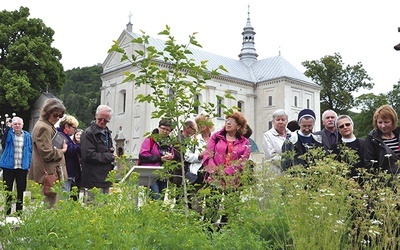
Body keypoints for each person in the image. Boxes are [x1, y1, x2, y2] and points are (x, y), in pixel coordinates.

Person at [29, 98, 68, 207]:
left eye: (60, 116)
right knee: (50, 209)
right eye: (55, 115)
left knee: (51, 209)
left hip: (50, 174)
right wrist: (62, 151)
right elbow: (47, 154)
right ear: (47, 112)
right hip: (48, 175)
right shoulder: (43, 127)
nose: (57, 119)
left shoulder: (47, 125)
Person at [202, 111, 251, 187]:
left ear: (238, 126)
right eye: (227, 120)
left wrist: (226, 171)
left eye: (231, 121)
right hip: (215, 179)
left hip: (234, 180)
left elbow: (243, 161)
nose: (228, 123)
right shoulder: (216, 137)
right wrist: (215, 170)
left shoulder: (245, 142)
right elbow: (208, 154)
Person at [80, 105, 116, 195]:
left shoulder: (107, 132)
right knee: (92, 206)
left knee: (105, 206)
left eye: (106, 120)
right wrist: (110, 156)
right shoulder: (88, 133)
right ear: (96, 116)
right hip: (93, 179)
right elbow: (88, 155)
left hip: (106, 177)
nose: (102, 122)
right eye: (100, 119)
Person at [0, 117, 32, 215]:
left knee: (21, 190)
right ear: (12, 125)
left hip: (22, 167)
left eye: (19, 124)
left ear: (22, 125)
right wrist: (7, 128)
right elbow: (4, 141)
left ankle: (19, 212)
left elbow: (30, 151)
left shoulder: (27, 136)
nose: (17, 126)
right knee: (8, 190)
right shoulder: (9, 134)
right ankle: (7, 212)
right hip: (9, 167)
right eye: (15, 124)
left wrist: (29, 164)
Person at [138, 119, 176, 199]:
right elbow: (143, 155)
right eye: (163, 128)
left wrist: (171, 157)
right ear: (159, 128)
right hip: (151, 173)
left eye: (167, 130)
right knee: (155, 197)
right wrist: (160, 159)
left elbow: (173, 154)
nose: (165, 131)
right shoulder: (150, 140)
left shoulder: (169, 143)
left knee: (161, 198)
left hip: (163, 174)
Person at [364, 105, 400, 174]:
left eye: (386, 122)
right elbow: (369, 164)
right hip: (385, 179)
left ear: (393, 121)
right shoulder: (372, 139)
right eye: (380, 122)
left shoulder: (398, 135)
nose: (383, 126)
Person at [332, 115, 365, 181]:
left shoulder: (364, 144)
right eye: (341, 126)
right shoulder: (335, 147)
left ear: (352, 125)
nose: (345, 127)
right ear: (338, 130)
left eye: (347, 124)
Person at [185, 114, 214, 184]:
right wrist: (199, 156)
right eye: (198, 123)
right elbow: (186, 156)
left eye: (202, 123)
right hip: (196, 174)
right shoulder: (194, 139)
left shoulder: (215, 138)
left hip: (212, 174)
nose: (200, 125)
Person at [57, 115, 81, 192]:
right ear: (67, 126)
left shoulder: (64, 135)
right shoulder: (60, 136)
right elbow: (70, 150)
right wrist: (81, 144)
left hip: (68, 170)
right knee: (64, 196)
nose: (75, 130)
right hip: (66, 171)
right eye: (74, 128)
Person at [262, 109, 291, 174]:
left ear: (287, 121)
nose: (280, 122)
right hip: (275, 172)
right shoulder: (267, 135)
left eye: (283, 120)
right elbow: (271, 155)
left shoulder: (291, 134)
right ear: (273, 121)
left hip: (290, 173)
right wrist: (286, 164)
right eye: (278, 120)